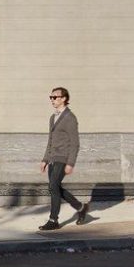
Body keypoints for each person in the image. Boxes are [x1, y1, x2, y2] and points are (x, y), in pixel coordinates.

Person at [38, 85, 93, 231]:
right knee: (55, 188)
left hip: (63, 158)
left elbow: (75, 143)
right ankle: (81, 208)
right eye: (51, 97)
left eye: (55, 97)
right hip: (53, 159)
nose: (52, 100)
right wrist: (45, 159)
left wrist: (70, 163)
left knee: (52, 187)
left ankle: (53, 220)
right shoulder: (53, 117)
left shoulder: (70, 118)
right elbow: (50, 140)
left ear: (64, 99)